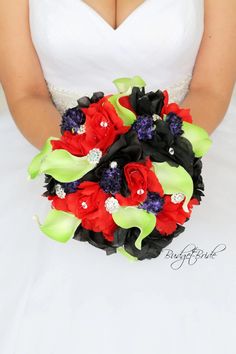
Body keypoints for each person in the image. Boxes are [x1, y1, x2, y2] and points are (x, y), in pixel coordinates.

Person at [0, 1, 235, 353]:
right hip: (53, 141)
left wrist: (161, 158)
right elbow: (25, 93)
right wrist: (86, 166)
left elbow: (210, 89)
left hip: (185, 138)